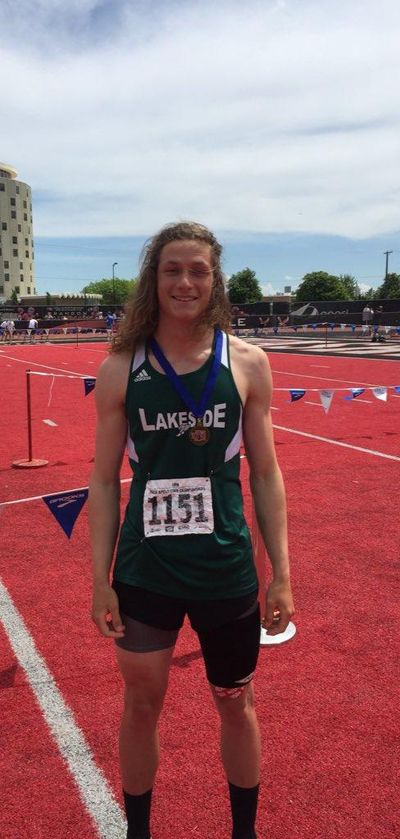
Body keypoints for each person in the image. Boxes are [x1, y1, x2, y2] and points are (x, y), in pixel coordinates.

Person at [89, 221, 294, 839]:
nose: (185, 281)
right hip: (145, 569)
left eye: (197, 270)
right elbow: (101, 483)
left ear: (215, 279)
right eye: (172, 269)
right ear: (154, 279)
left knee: (235, 702)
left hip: (225, 567)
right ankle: (140, 833)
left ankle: (243, 832)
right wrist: (99, 580)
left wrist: (280, 573)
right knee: (142, 704)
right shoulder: (122, 366)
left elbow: (266, 475)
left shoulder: (249, 363)